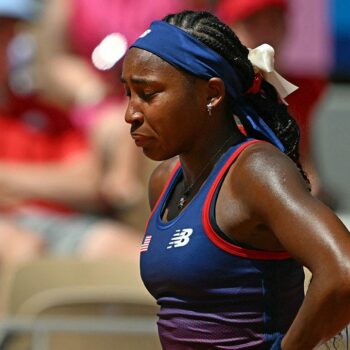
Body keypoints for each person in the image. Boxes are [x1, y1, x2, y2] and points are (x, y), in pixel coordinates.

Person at [121, 10, 350, 350]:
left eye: (149, 93)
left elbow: (343, 273)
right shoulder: (164, 181)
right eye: (128, 93)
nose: (131, 114)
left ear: (212, 94)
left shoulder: (256, 171)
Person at [0, 0, 140, 265]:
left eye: (6, 32)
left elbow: (89, 183)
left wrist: (7, 180)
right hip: (14, 233)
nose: (3, 41)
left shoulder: (44, 113)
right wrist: (52, 183)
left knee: (138, 255)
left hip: (60, 224)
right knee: (21, 249)